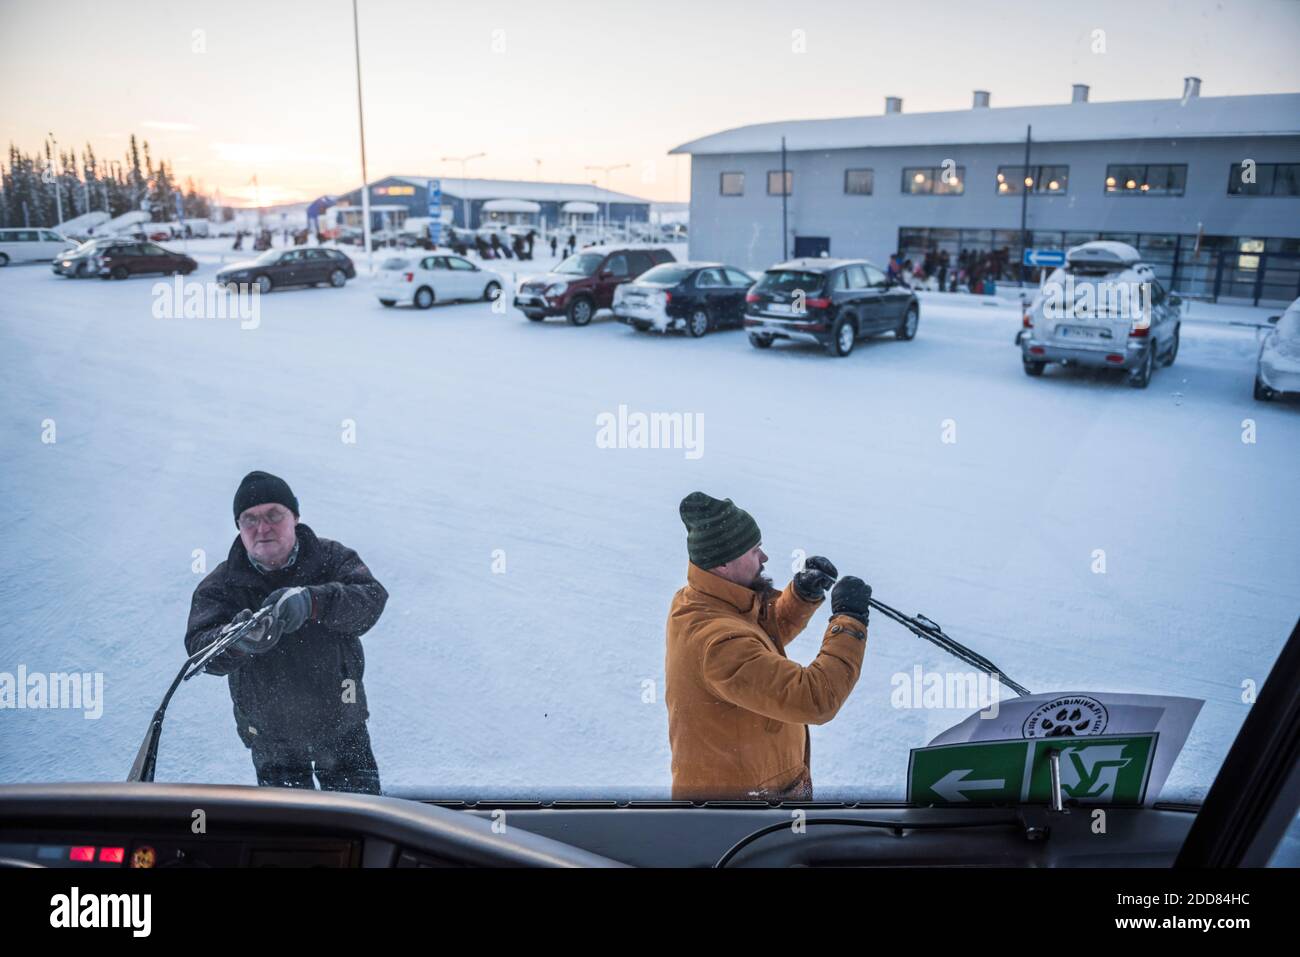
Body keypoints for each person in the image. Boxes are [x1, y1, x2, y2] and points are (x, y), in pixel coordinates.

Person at [184, 471, 389, 794]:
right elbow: (201, 653)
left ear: (295, 516)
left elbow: (371, 601)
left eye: (273, 515)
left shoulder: (333, 558)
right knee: (290, 838)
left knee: (360, 824)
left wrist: (313, 602)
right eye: (249, 519)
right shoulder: (220, 585)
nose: (262, 528)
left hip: (342, 726)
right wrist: (239, 642)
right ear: (238, 526)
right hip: (271, 739)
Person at [665, 492, 872, 802]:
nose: (764, 559)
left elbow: (754, 635)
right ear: (722, 564)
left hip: (757, 795)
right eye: (754, 551)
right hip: (741, 814)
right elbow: (814, 698)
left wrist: (800, 597)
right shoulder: (718, 644)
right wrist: (850, 622)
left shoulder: (699, 600)